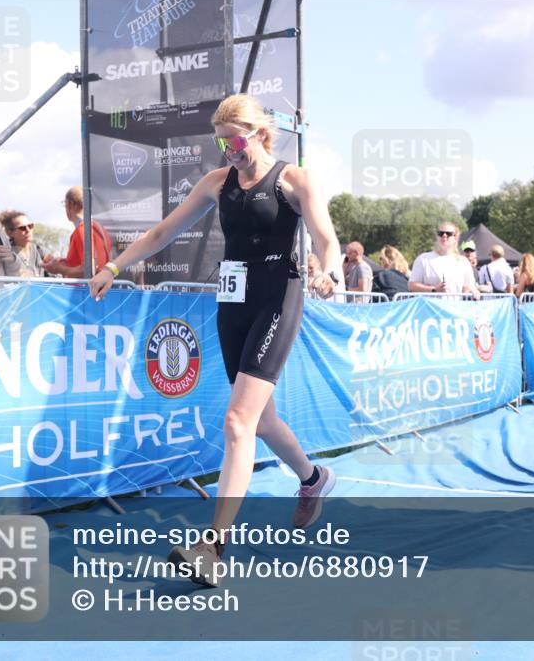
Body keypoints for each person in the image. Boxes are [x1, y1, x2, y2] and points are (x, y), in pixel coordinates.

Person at [88, 94, 344, 587]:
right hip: (234, 302)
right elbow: (164, 231)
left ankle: (213, 546)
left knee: (236, 420)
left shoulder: (293, 179)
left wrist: (329, 272)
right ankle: (313, 479)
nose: (229, 151)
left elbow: (327, 238)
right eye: (221, 142)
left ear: (259, 134)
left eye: (236, 140)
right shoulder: (217, 182)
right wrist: (114, 266)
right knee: (261, 420)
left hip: (277, 296)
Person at [44, 186, 112, 277]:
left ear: (69, 204)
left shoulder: (83, 230)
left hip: (84, 290)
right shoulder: (99, 227)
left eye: (64, 204)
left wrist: (59, 269)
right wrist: (64, 262)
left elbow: (88, 270)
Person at [408, 223, 480, 297]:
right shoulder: (423, 259)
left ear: (455, 238)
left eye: (448, 233)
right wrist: (434, 289)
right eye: (441, 233)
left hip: (453, 307)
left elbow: (468, 287)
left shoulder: (463, 262)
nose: (444, 236)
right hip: (429, 307)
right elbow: (412, 285)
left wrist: (474, 292)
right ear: (437, 236)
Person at [0, 211, 50, 277]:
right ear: (9, 232)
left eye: (30, 226)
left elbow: (56, 278)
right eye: (22, 228)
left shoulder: (42, 252)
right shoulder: (5, 254)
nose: (28, 230)